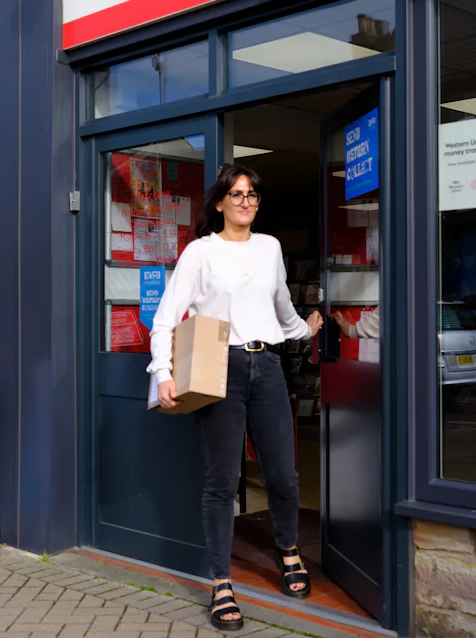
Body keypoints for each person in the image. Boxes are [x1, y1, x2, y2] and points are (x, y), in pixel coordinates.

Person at [148, 165, 324, 631]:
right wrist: (163, 373)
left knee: (283, 473)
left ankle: (288, 550)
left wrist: (304, 329)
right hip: (215, 366)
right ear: (220, 202)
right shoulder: (199, 253)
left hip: (267, 367)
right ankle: (221, 581)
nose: (246, 202)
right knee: (222, 481)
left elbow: (280, 305)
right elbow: (166, 318)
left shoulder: (270, 248)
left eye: (252, 195)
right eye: (237, 194)